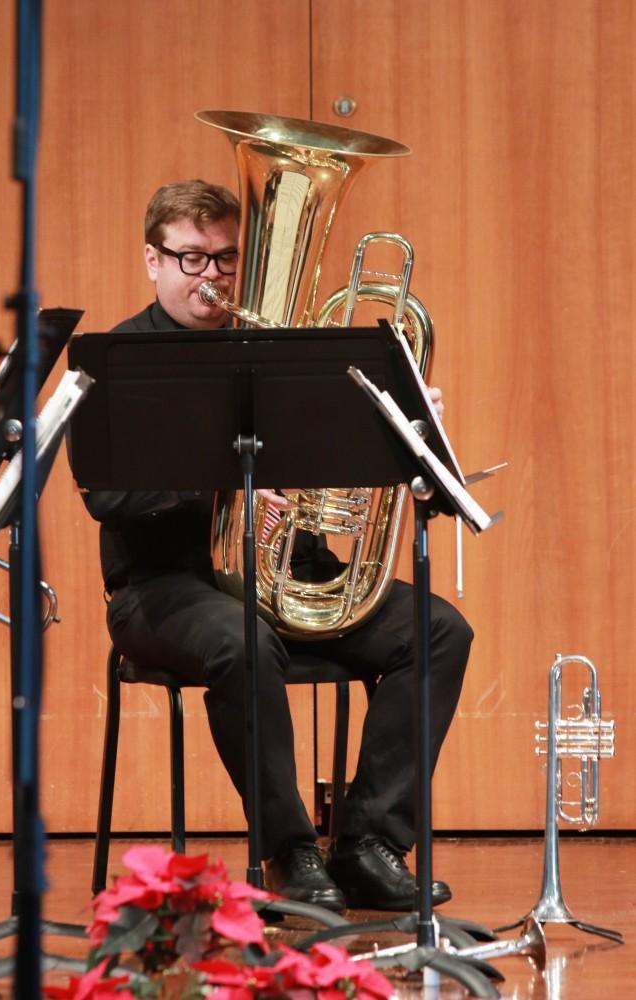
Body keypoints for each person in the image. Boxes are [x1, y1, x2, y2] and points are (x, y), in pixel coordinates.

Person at [83, 179, 473, 913]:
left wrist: (401, 424)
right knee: (244, 640)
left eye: (228, 259)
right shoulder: (118, 359)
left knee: (440, 630)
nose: (212, 277)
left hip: (283, 571)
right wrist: (224, 488)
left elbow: (338, 465)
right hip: (163, 585)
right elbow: (108, 496)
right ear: (152, 260)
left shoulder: (277, 350)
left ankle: (368, 843)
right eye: (192, 259)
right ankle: (289, 851)